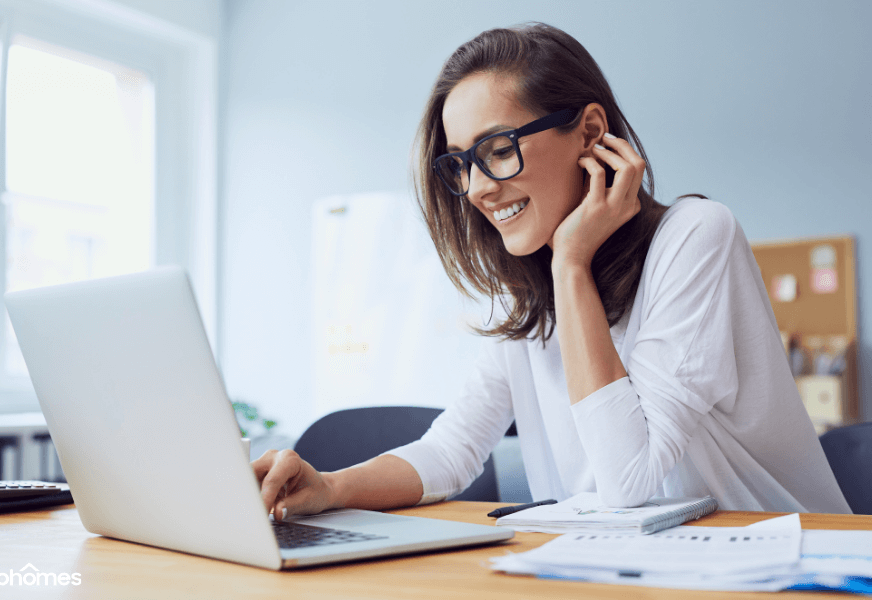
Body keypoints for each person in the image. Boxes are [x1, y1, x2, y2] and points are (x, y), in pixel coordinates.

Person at [252, 23, 852, 518]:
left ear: (590, 131)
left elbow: (629, 481)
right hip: (621, 573)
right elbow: (453, 449)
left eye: (497, 149)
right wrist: (329, 487)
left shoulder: (697, 236)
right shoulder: (524, 296)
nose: (479, 189)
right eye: (461, 164)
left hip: (786, 573)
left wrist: (572, 263)